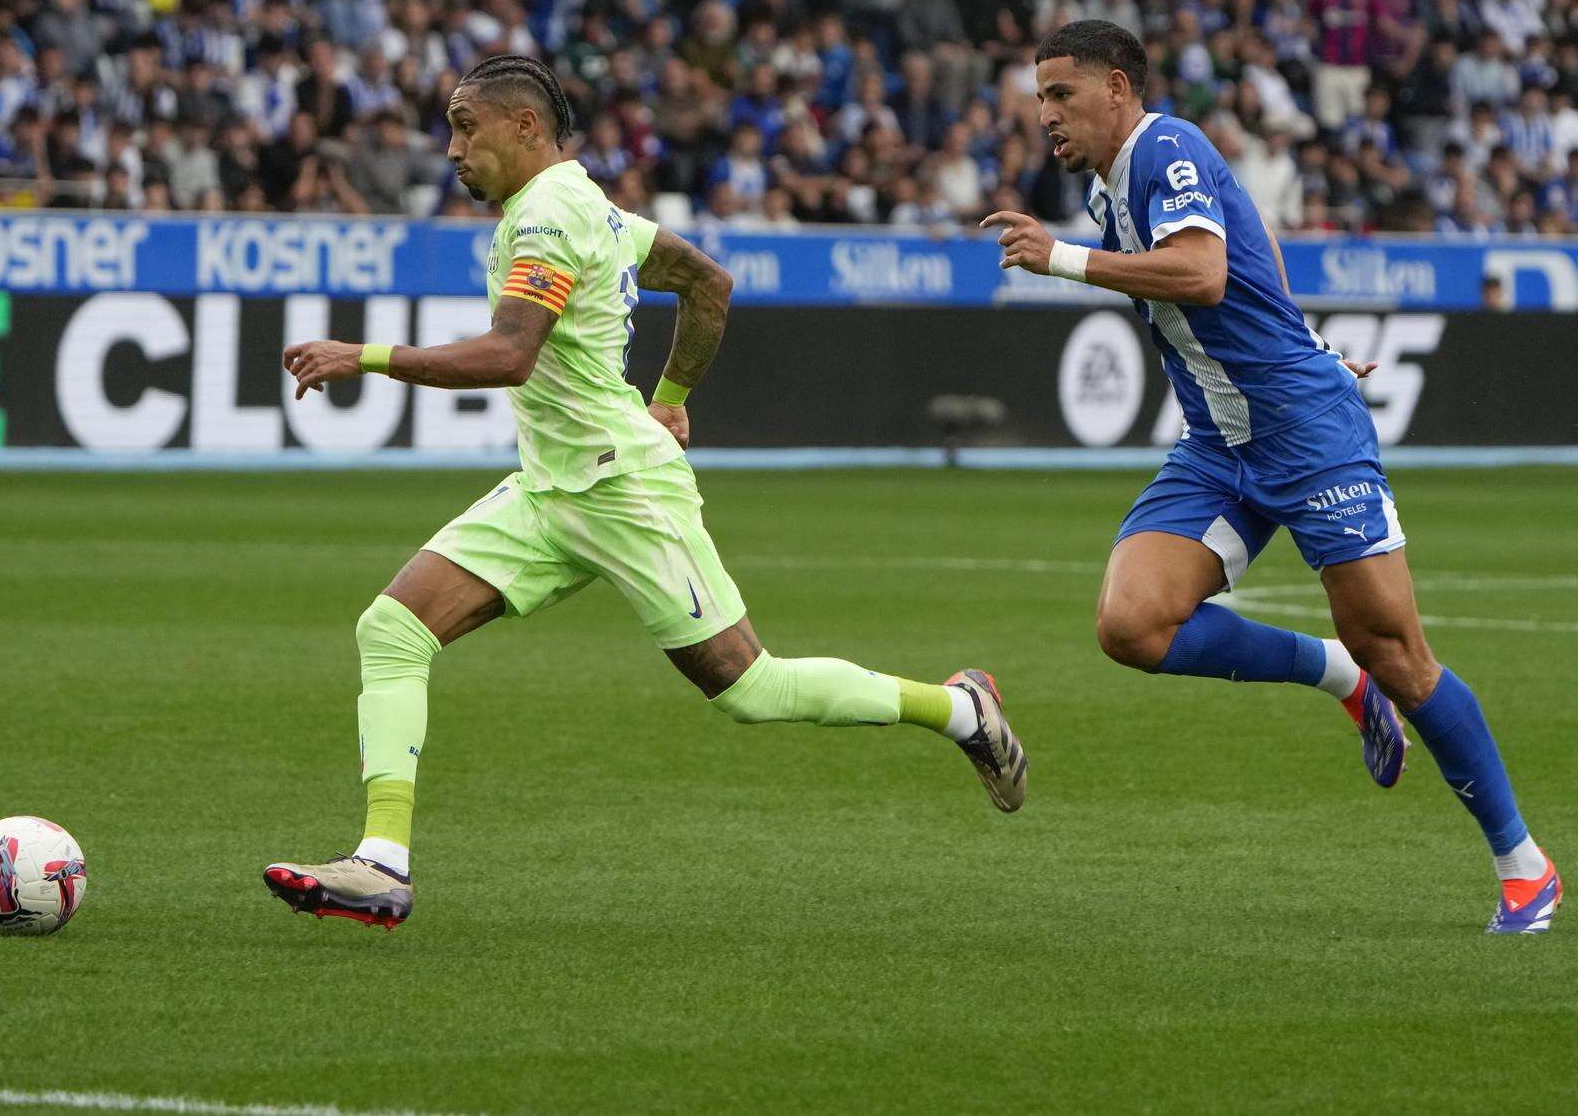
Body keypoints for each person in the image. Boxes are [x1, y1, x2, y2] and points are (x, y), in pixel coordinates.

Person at [265, 56, 1028, 928]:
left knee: (750, 688)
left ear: (525, 127)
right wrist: (669, 399)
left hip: (622, 490)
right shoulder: (589, 205)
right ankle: (382, 863)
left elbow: (509, 353)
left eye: (464, 125)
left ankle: (962, 707)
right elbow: (708, 283)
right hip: (552, 488)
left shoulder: (550, 215)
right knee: (393, 628)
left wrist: (360, 355)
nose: (451, 148)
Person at [987, 21, 1559, 934]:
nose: (1044, 113)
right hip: (1220, 442)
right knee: (1131, 624)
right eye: (1041, 95)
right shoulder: (1113, 190)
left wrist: (1058, 259)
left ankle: (1523, 863)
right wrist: (1306, 333)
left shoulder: (1164, 144)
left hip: (1303, 435)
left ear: (1120, 90)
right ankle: (1337, 675)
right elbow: (1253, 250)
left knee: (1402, 654)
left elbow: (1207, 272)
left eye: (1062, 94)